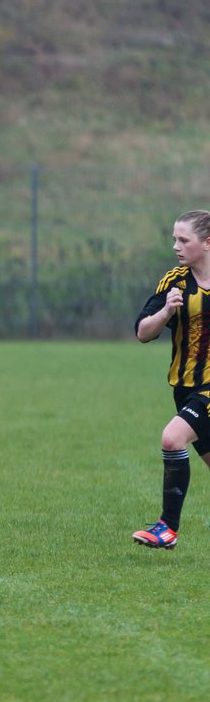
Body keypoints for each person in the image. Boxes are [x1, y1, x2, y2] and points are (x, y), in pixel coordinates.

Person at [132, 210, 210, 549]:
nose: (176, 246)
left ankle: (167, 528)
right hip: (184, 388)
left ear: (207, 243)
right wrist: (165, 311)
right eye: (174, 239)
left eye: (184, 240)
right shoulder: (175, 282)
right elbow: (142, 332)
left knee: (172, 438)